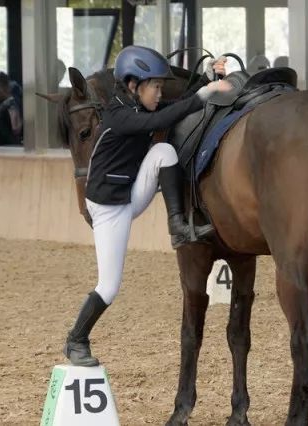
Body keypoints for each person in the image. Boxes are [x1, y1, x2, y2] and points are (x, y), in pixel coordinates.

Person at [63, 45, 231, 367]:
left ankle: (178, 226)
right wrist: (207, 92)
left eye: (159, 86)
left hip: (128, 194)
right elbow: (170, 115)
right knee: (109, 286)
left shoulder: (138, 108)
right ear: (132, 85)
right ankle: (76, 339)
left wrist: (209, 77)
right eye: (154, 86)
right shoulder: (118, 115)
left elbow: (175, 106)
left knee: (164, 153)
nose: (159, 92)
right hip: (108, 209)